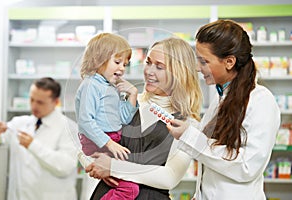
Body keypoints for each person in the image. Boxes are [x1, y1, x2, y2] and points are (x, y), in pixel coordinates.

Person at [86, 20, 281, 200]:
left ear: (229, 62)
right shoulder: (220, 101)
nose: (197, 67)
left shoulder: (260, 101)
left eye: (204, 61)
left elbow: (247, 167)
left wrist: (189, 136)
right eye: (148, 63)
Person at [88, 36, 202, 200]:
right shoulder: (129, 103)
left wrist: (114, 167)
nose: (149, 71)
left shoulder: (189, 124)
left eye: (159, 67)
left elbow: (169, 177)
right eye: (148, 62)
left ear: (179, 73)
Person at [74, 32, 140, 199]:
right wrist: (110, 144)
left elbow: (123, 119)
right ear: (98, 60)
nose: (122, 68)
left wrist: (132, 95)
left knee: (128, 184)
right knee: (129, 189)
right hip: (100, 142)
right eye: (117, 62)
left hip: (109, 141)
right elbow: (85, 121)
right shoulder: (91, 85)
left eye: (125, 64)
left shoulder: (109, 86)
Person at [0, 77, 78, 200]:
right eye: (32, 100)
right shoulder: (19, 123)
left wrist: (33, 145)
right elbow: (1, 141)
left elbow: (64, 167)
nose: (34, 106)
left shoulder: (69, 128)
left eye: (40, 102)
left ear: (55, 102)